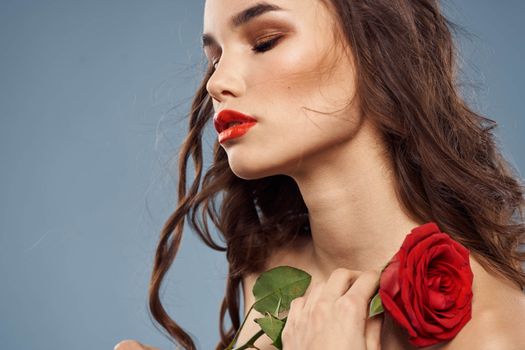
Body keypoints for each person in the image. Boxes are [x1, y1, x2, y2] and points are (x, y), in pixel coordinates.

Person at [115, 0, 525, 349]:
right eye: (215, 58)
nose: (217, 83)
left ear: (380, 47)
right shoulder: (274, 274)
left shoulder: (495, 332)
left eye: (264, 42)